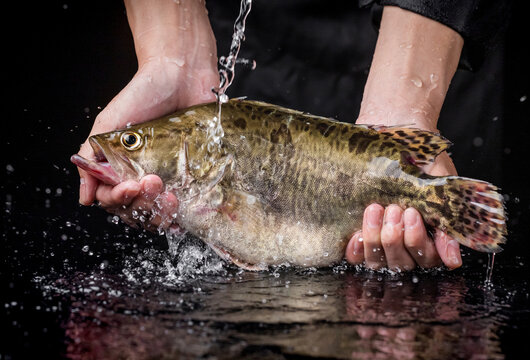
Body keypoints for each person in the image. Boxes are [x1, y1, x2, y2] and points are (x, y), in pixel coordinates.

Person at [76, 0, 507, 272]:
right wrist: (175, 55)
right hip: (244, 46)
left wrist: (407, 107)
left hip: (423, 41)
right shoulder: (201, 130)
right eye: (132, 142)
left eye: (132, 142)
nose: (122, 145)